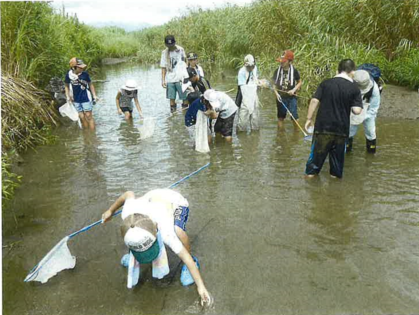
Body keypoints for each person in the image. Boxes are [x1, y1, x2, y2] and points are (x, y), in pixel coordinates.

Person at [101, 189, 212, 306]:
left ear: (156, 231)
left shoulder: (167, 232)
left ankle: (189, 265)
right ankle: (133, 253)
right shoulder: (128, 215)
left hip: (175, 201)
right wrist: (110, 210)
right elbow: (128, 194)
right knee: (132, 232)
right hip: (152, 199)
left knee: (178, 231)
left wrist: (201, 287)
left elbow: (185, 257)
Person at [305, 59, 363, 178]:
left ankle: (311, 188)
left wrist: (309, 119)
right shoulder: (354, 88)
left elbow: (314, 100)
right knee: (336, 172)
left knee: (313, 168)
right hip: (341, 131)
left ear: (338, 70)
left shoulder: (325, 83)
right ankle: (335, 193)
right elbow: (357, 111)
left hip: (323, 129)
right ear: (352, 72)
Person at [347, 70, 381, 153]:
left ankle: (371, 151)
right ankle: (347, 151)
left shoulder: (374, 89)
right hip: (353, 108)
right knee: (349, 131)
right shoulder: (348, 84)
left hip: (368, 109)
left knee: (370, 132)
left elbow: (374, 109)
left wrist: (361, 117)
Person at [65, 58, 99, 130]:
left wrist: (94, 95)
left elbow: (90, 84)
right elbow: (66, 86)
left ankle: (93, 135)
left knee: (88, 115)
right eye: (80, 67)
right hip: (76, 99)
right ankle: (86, 134)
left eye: (82, 67)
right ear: (73, 67)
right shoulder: (68, 75)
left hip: (86, 97)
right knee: (81, 117)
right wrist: (67, 96)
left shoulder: (85, 74)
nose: (82, 69)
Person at [272, 50, 302, 130]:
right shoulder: (277, 71)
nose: (281, 63)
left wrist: (294, 90)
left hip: (292, 97)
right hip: (280, 98)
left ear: (289, 61)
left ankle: (296, 133)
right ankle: (281, 136)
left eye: (283, 61)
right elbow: (274, 85)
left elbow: (299, 82)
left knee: (294, 117)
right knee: (281, 117)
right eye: (280, 61)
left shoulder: (294, 71)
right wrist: (276, 94)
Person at [160, 35, 188, 112]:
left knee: (184, 97)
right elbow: (163, 67)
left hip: (180, 78)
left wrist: (186, 76)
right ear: (166, 44)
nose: (170, 47)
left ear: (174, 43)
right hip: (170, 79)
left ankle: (184, 114)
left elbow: (185, 62)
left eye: (172, 45)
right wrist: (163, 80)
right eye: (168, 45)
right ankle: (173, 114)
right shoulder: (164, 53)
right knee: (171, 98)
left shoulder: (180, 50)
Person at [237, 54, 260, 132]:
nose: (250, 68)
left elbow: (256, 80)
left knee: (255, 118)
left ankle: (255, 133)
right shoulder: (241, 72)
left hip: (254, 95)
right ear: (245, 65)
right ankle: (241, 133)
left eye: (252, 66)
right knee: (243, 120)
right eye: (248, 66)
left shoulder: (255, 68)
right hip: (245, 96)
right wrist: (247, 103)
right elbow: (243, 88)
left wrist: (260, 83)